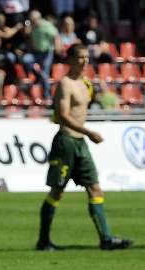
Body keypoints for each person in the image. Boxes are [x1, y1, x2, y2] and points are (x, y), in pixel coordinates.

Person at [36, 44, 132, 252]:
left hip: (80, 143)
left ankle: (106, 239)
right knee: (57, 191)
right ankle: (43, 241)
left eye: (87, 57)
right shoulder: (65, 84)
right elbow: (63, 115)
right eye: (80, 57)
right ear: (70, 60)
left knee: (95, 188)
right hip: (66, 142)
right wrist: (88, 132)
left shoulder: (86, 83)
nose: (85, 61)